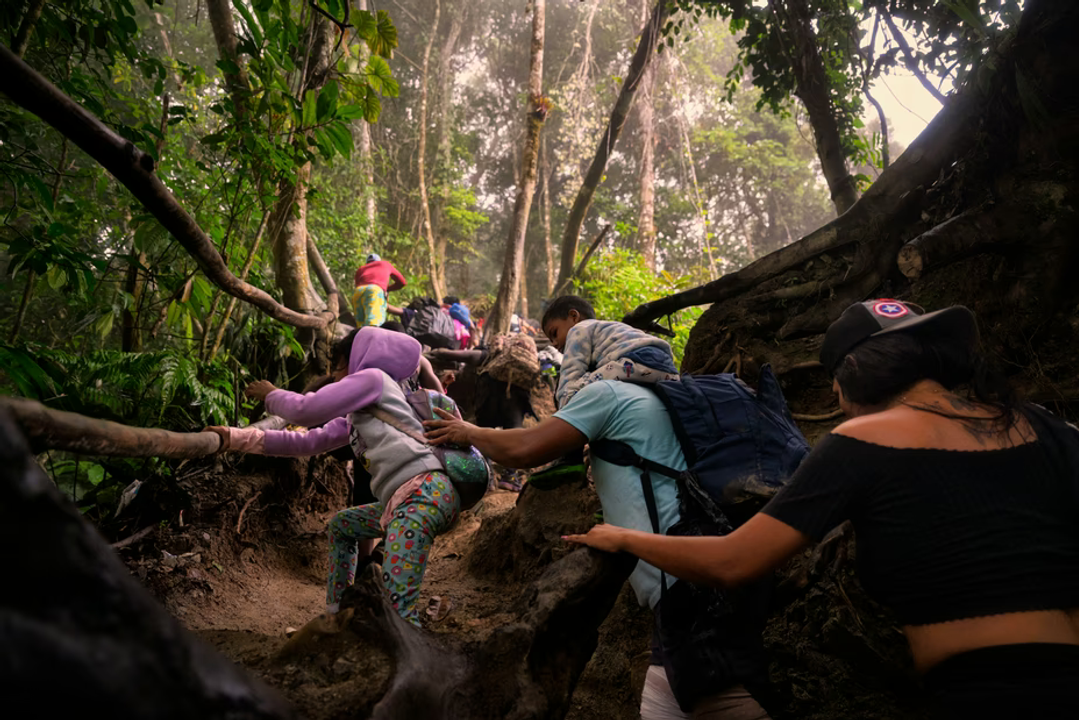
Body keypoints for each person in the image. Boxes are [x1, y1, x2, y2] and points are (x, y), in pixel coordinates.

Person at [564, 299, 1079, 719]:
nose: (838, 403)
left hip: (983, 693)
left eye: (837, 392)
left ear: (852, 376)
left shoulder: (862, 440)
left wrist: (624, 537)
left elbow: (733, 561)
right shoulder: (1042, 426)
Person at [423, 370, 773, 718]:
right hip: (704, 566)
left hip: (686, 583)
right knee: (665, 693)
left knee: (719, 700)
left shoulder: (608, 393)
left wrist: (467, 431)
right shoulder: (663, 400)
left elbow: (524, 449)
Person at [207, 327, 461, 625]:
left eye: (338, 366)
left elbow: (306, 410)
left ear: (356, 359)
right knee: (343, 526)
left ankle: (415, 663)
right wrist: (234, 438)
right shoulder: (364, 413)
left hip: (422, 496)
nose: (336, 377)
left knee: (398, 619)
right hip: (408, 501)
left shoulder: (374, 380)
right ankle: (337, 617)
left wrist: (271, 395)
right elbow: (307, 441)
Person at [541, 295, 679, 409]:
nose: (554, 344)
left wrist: (564, 408)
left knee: (575, 389)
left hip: (637, 360)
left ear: (573, 316)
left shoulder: (578, 330)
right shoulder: (608, 329)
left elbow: (570, 375)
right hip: (668, 371)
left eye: (554, 333)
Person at [352, 253, 407, 327]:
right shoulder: (385, 264)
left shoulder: (361, 269)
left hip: (358, 292)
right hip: (374, 291)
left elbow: (357, 284)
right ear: (379, 261)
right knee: (374, 324)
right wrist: (387, 289)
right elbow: (402, 282)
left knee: (360, 327)